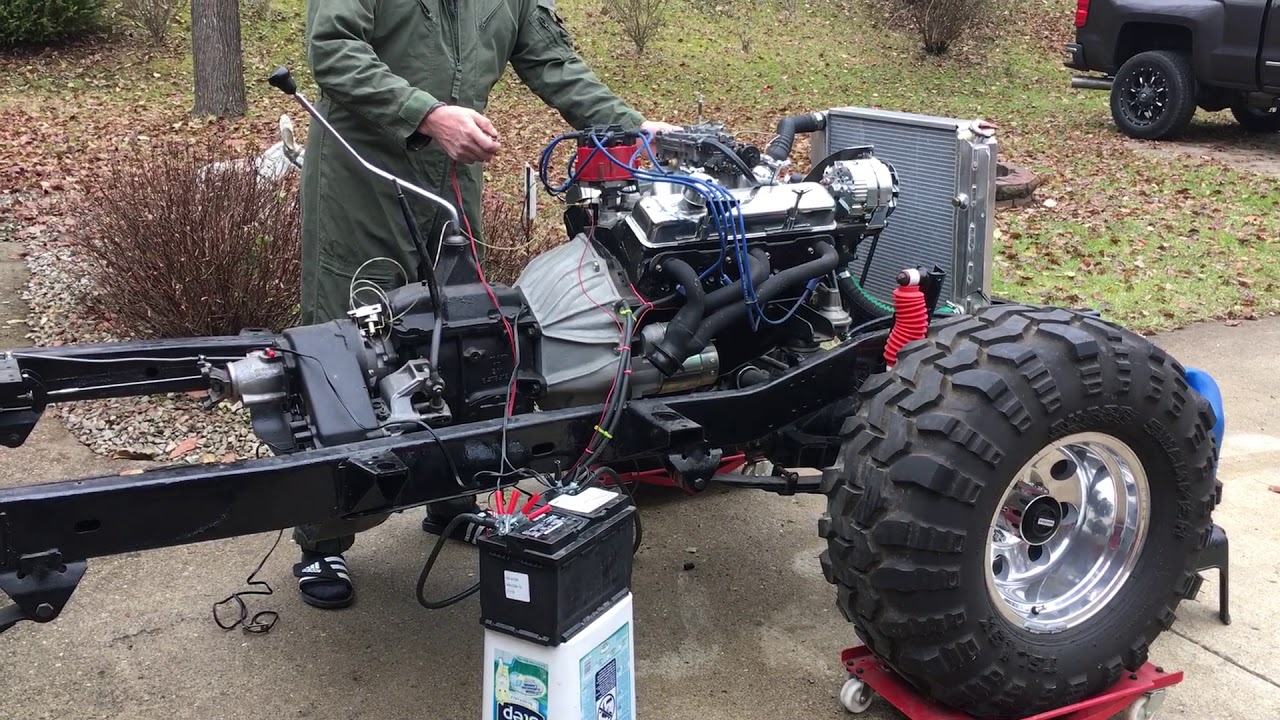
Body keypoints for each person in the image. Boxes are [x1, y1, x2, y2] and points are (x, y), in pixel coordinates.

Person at [292, 0, 680, 610]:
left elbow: (554, 62)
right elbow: (333, 50)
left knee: (464, 339)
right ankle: (325, 538)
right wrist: (427, 114)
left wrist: (630, 128)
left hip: (449, 183)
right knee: (352, 354)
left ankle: (450, 502)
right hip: (361, 184)